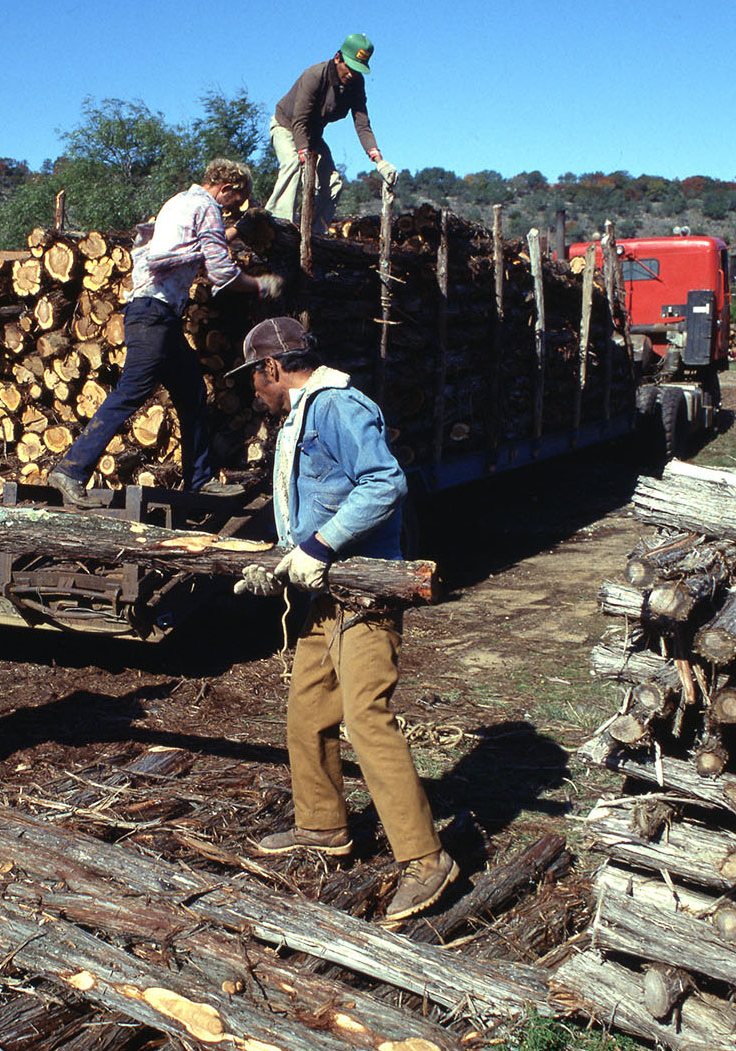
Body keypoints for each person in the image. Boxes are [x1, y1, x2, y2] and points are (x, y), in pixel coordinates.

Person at [229, 317, 457, 923]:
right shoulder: (300, 416)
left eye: (255, 374)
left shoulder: (337, 407)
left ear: (273, 367)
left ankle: (427, 857)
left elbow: (384, 482)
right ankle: (323, 825)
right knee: (308, 709)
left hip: (362, 591)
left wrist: (321, 545)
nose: (254, 387)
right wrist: (284, 560)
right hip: (320, 592)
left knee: (364, 717)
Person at [48, 158, 282, 507]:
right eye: (238, 199)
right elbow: (221, 272)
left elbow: (188, 251)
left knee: (191, 393)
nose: (237, 206)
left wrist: (228, 235)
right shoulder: (207, 209)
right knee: (130, 392)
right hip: (153, 314)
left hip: (159, 316)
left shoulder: (178, 202)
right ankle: (70, 470)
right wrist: (260, 285)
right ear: (227, 188)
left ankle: (199, 480)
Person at [265, 33, 397, 233]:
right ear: (338, 58)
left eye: (358, 70)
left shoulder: (356, 84)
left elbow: (362, 124)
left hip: (313, 134)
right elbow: (300, 121)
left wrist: (378, 159)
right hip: (288, 127)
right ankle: (277, 227)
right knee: (292, 165)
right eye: (350, 67)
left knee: (334, 184)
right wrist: (304, 157)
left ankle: (313, 233)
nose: (352, 74)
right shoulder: (315, 75)